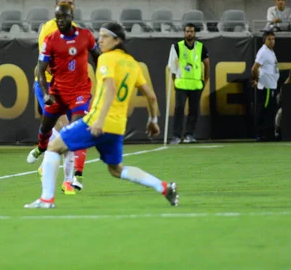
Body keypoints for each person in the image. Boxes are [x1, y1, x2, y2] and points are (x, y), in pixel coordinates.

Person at [24, 22, 179, 209]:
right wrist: (153, 120)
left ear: (117, 40)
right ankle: (164, 187)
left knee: (53, 147)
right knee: (116, 169)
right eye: (100, 35)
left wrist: (99, 119)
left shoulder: (107, 59)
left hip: (97, 121)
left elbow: (110, 89)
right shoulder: (133, 64)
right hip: (117, 126)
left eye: (105, 36)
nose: (100, 39)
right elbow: (152, 97)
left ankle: (46, 199)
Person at [27, 4, 101, 195]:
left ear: (72, 14)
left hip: (78, 93)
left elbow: (97, 56)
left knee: (72, 132)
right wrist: (46, 93)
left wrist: (103, 77)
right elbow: (39, 69)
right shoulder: (49, 35)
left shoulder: (83, 36)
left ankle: (70, 179)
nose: (60, 20)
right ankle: (43, 151)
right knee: (54, 129)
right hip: (56, 91)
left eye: (64, 16)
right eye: (57, 16)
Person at [170, 24, 209, 144]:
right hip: (181, 84)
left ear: (194, 33)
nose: (189, 33)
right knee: (179, 109)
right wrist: (174, 80)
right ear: (184, 33)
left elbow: (207, 63)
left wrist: (205, 79)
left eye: (191, 31)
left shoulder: (201, 47)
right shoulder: (178, 46)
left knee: (194, 110)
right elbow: (173, 65)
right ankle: (176, 135)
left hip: (196, 84)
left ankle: (189, 134)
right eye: (187, 31)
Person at [252, 31, 279, 142]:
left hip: (271, 86)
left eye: (273, 39)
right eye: (269, 39)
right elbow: (254, 68)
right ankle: (261, 134)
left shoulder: (270, 51)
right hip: (266, 87)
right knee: (264, 110)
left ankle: (267, 134)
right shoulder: (263, 52)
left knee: (269, 111)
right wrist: (257, 80)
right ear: (264, 40)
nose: (272, 41)